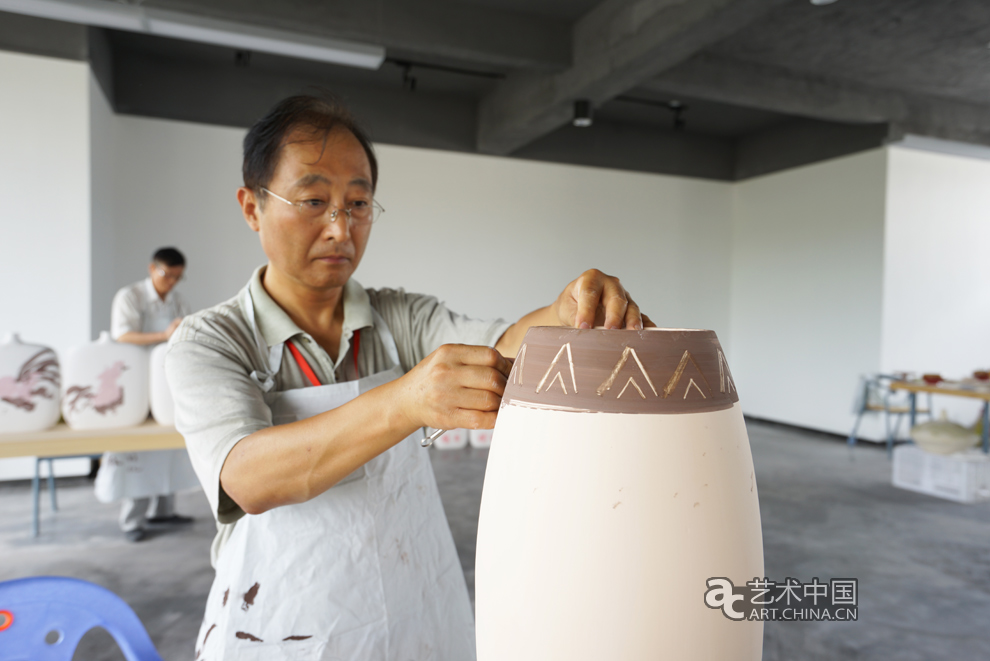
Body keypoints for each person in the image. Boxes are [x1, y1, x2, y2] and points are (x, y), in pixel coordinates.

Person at [165, 94, 652, 660]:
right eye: (314, 200)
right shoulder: (212, 339)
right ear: (252, 207)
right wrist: (403, 402)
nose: (340, 228)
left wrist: (563, 312)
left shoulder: (398, 317)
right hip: (279, 626)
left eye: (358, 203)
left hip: (411, 609)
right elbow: (246, 478)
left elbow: (501, 347)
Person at [100, 248, 195, 542]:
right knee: (139, 450)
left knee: (168, 446)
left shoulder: (178, 299)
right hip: (136, 380)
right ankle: (132, 521)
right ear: (152, 268)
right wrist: (164, 336)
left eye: (178, 277)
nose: (172, 282)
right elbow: (123, 336)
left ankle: (164, 510)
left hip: (166, 380)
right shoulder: (130, 296)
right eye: (167, 275)